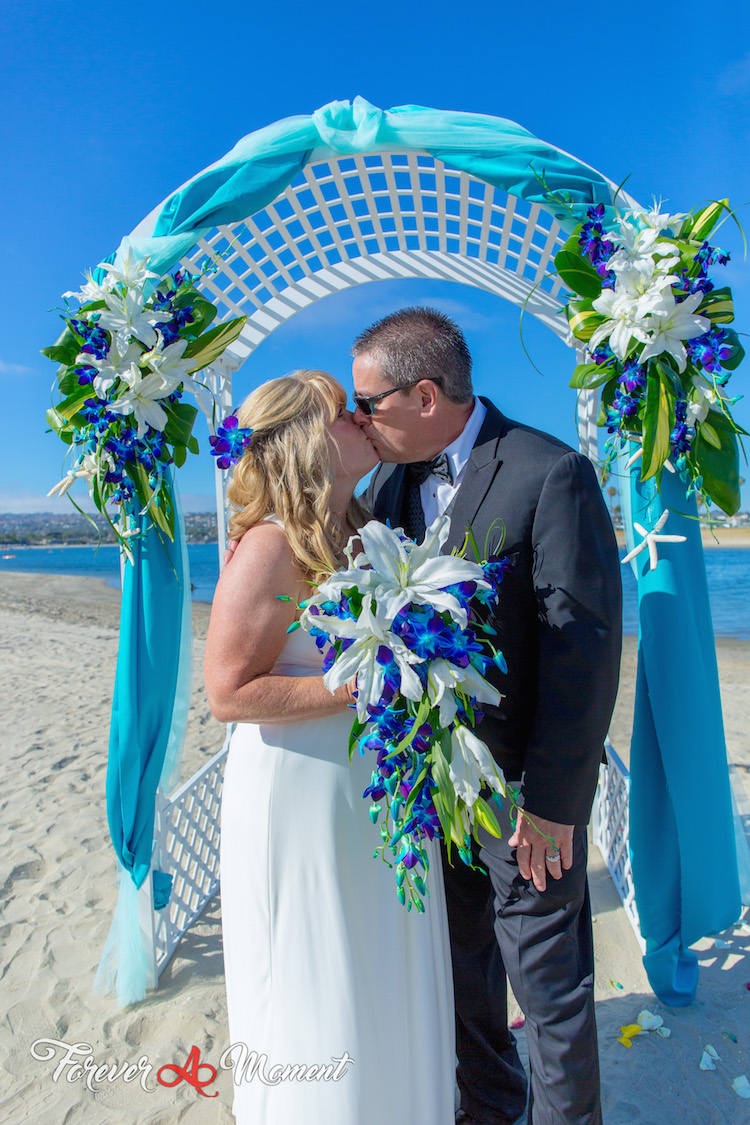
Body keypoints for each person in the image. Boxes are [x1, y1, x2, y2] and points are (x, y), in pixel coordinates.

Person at [352, 309, 622, 1125]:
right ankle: (490, 1111)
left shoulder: (552, 472)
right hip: (432, 794)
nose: (362, 420)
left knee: (550, 993)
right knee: (464, 977)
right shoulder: (386, 487)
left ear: (425, 394)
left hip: (522, 799)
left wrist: (552, 801)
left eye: (370, 403)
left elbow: (586, 656)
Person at [204, 369, 455, 1125]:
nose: (360, 419)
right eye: (342, 412)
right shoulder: (272, 545)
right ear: (305, 439)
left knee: (379, 964)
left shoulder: (361, 528)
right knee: (322, 972)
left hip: (368, 790)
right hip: (302, 793)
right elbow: (227, 691)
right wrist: (363, 682)